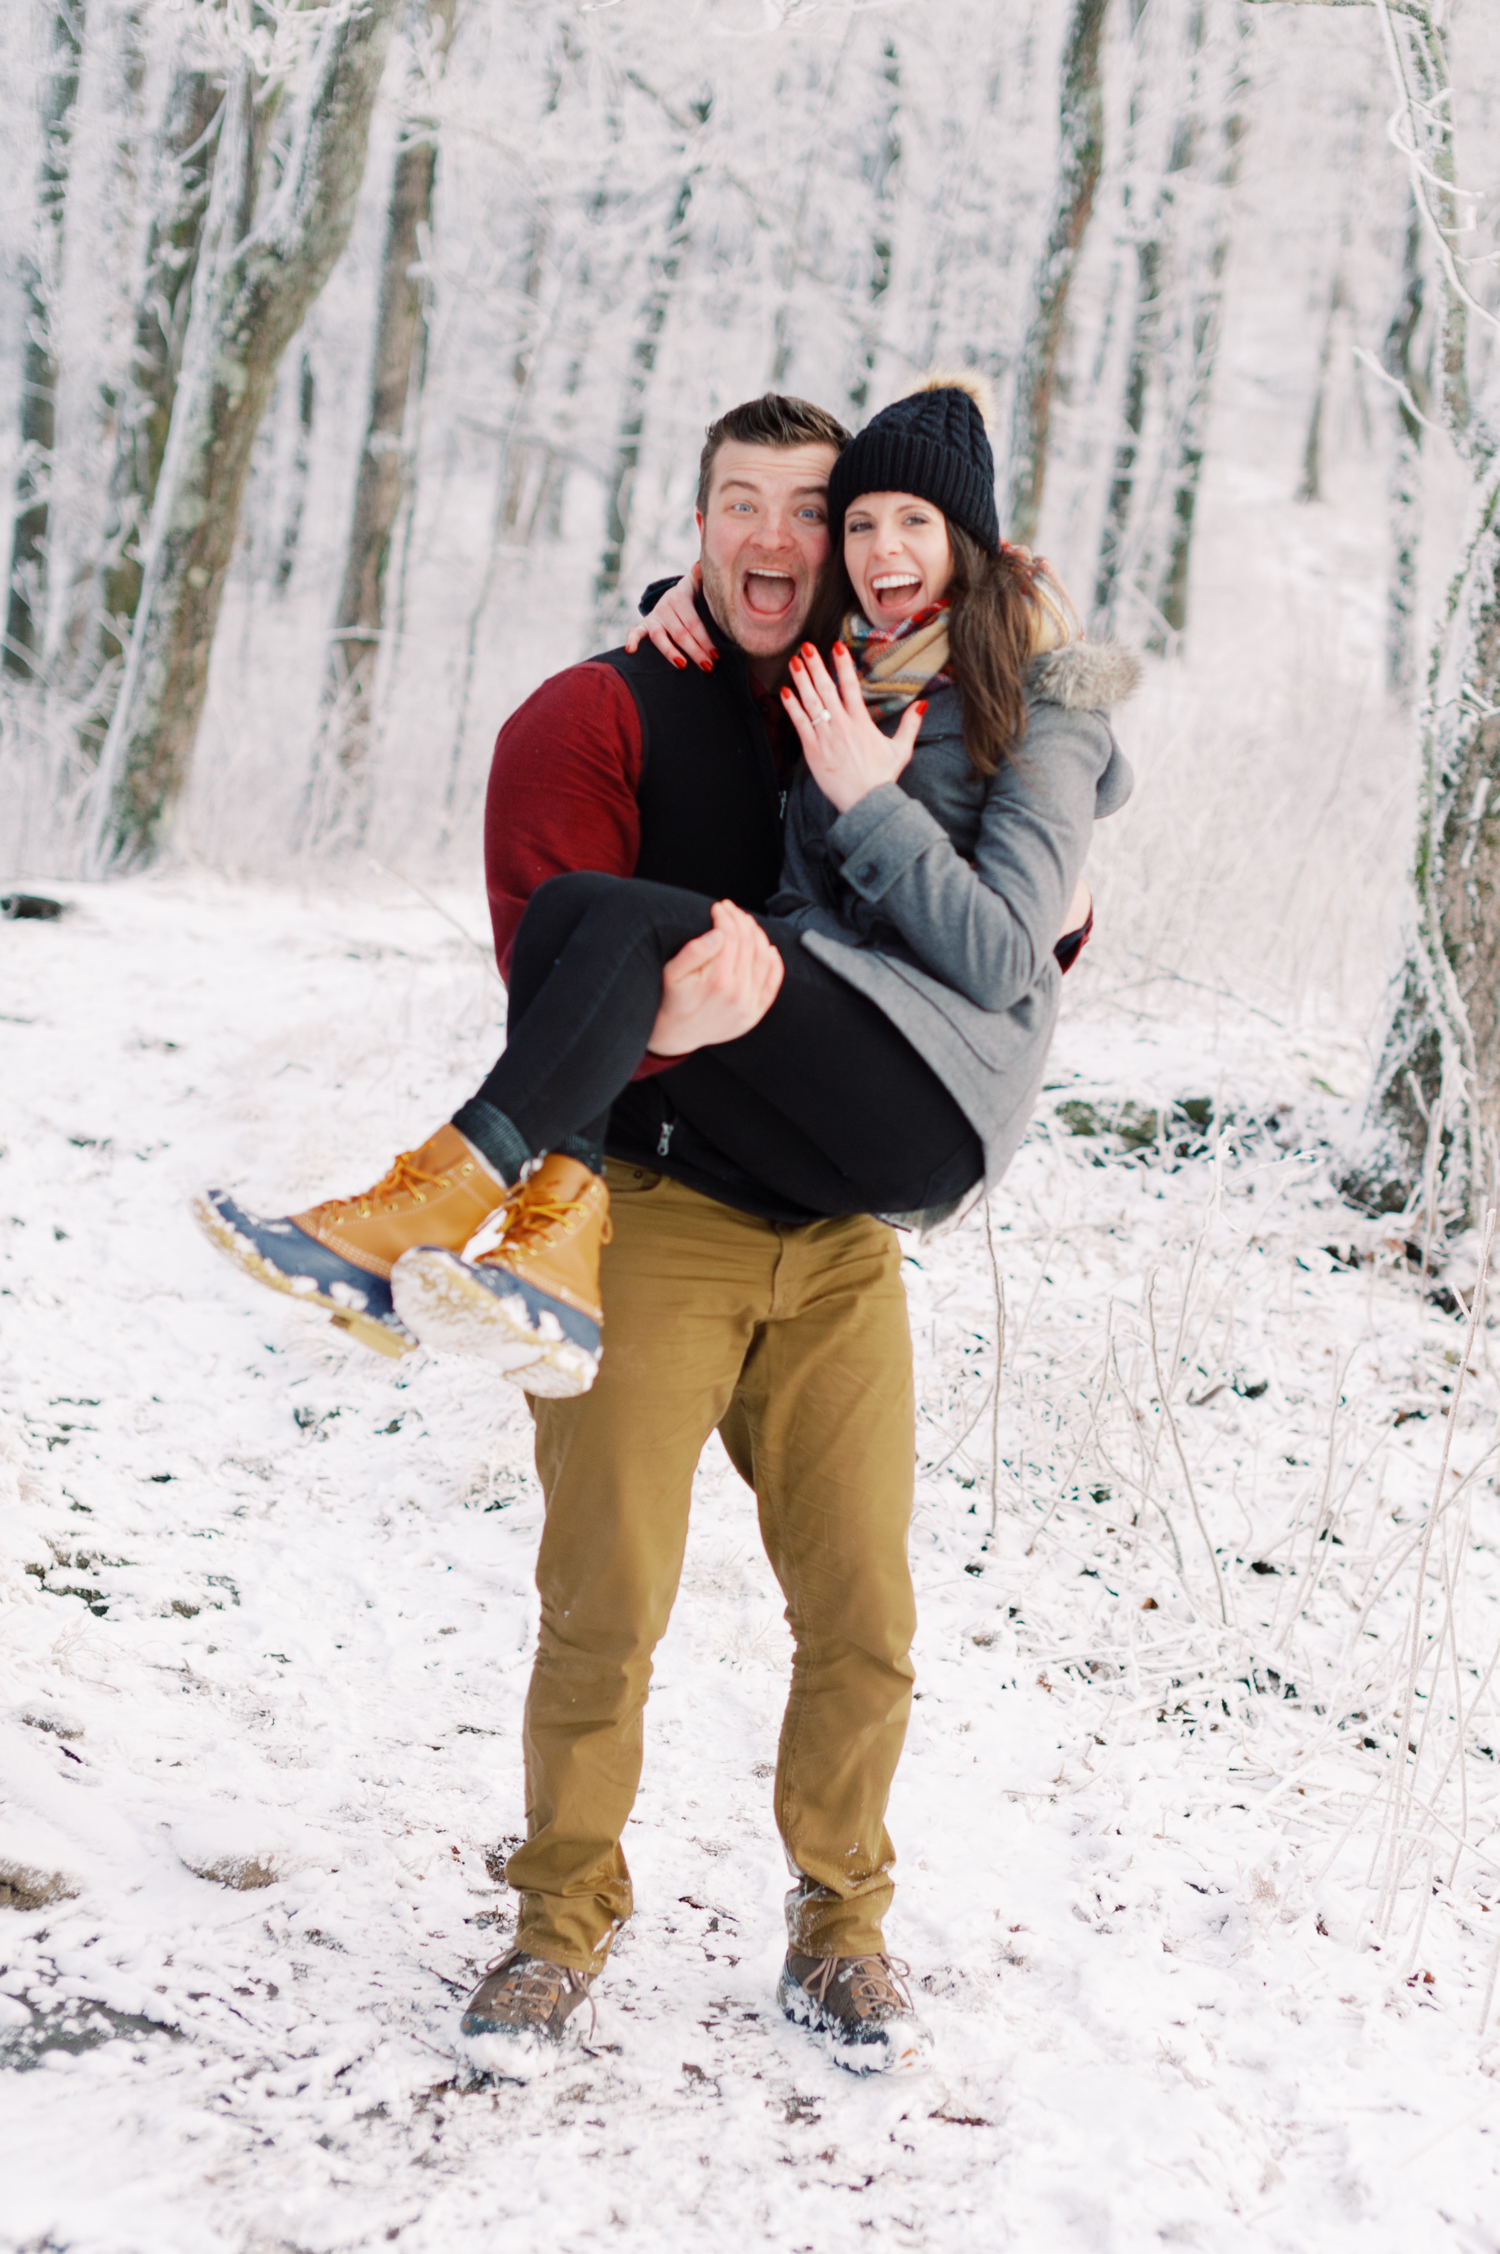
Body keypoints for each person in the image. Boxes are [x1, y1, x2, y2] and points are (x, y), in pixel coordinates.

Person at [195, 381, 1134, 2074]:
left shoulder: (909, 697)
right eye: (762, 513)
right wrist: (670, 636)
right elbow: (570, 939)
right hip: (672, 1218)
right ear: (699, 524)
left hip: (843, 1230)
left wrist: (964, 851)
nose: (803, 545)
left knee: (864, 1612)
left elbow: (1009, 918)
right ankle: (559, 1922)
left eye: (832, 513)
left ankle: (843, 1927)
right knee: (603, 1605)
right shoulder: (684, 695)